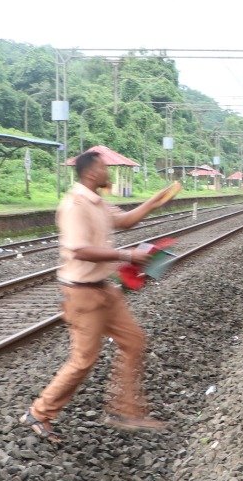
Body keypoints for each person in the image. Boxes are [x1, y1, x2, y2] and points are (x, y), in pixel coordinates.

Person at [22, 149, 176, 443]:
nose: (108, 171)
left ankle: (125, 411)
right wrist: (125, 254)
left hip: (104, 290)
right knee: (83, 360)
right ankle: (39, 413)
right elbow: (79, 250)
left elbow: (126, 221)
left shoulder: (98, 203)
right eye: (105, 167)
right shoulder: (74, 205)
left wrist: (157, 200)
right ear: (91, 172)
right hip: (81, 294)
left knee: (134, 341)